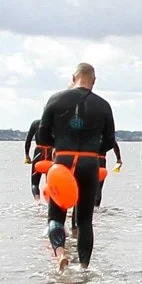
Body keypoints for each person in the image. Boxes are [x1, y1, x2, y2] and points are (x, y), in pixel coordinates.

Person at [37, 63, 117, 272]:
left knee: (56, 216)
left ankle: (61, 255)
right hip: (89, 162)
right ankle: (83, 268)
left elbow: (42, 136)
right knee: (84, 220)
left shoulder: (56, 99)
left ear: (73, 77)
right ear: (94, 80)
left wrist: (59, 143)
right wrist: (92, 148)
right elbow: (109, 141)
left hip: (62, 161)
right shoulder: (103, 105)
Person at [24, 118, 43, 200]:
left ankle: (37, 202)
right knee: (51, 182)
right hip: (51, 154)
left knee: (34, 184)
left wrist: (27, 156)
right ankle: (52, 204)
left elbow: (28, 141)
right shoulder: (56, 122)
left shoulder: (35, 123)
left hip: (38, 153)